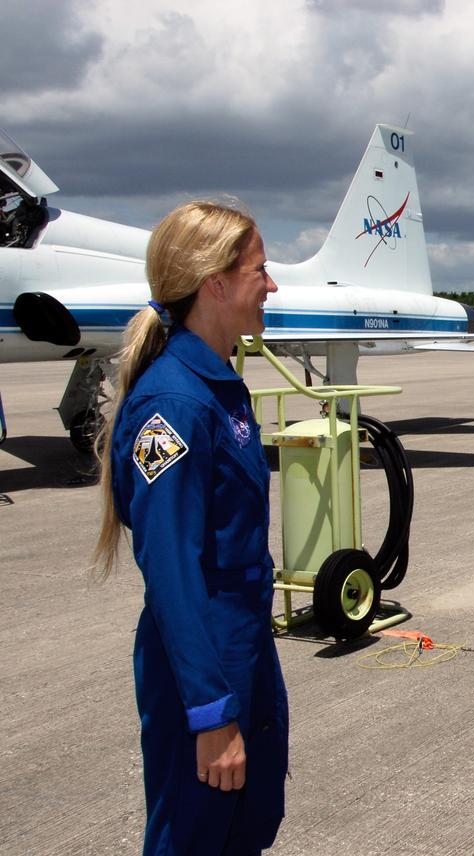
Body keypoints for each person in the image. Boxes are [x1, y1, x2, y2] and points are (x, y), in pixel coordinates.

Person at [93, 200, 287, 855]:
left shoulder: (219, 385)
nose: (271, 284)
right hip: (202, 668)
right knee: (194, 839)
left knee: (245, 829)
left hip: (243, 651)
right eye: (260, 269)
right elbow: (172, 570)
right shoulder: (174, 404)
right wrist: (210, 713)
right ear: (217, 284)